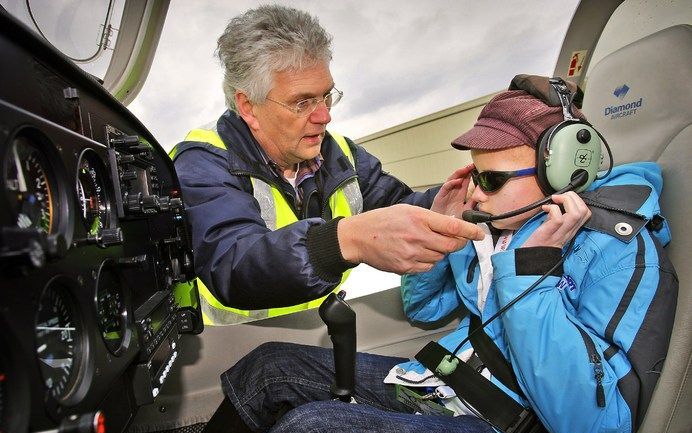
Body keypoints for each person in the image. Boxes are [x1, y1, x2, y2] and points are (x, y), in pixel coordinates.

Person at [217, 80, 678, 433]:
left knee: (313, 426)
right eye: (473, 173)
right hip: (441, 379)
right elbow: (424, 309)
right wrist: (440, 234)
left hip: (509, 419)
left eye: (491, 180)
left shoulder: (618, 254)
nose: (474, 191)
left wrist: (528, 274)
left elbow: (594, 425)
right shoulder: (495, 227)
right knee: (266, 368)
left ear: (561, 175)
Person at [170, 5, 483, 325]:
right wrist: (346, 240)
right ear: (248, 107)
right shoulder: (201, 163)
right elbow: (233, 263)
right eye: (302, 102)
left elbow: (395, 207)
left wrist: (446, 203)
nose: (324, 116)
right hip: (224, 354)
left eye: (326, 96)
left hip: (319, 330)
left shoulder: (340, 152)